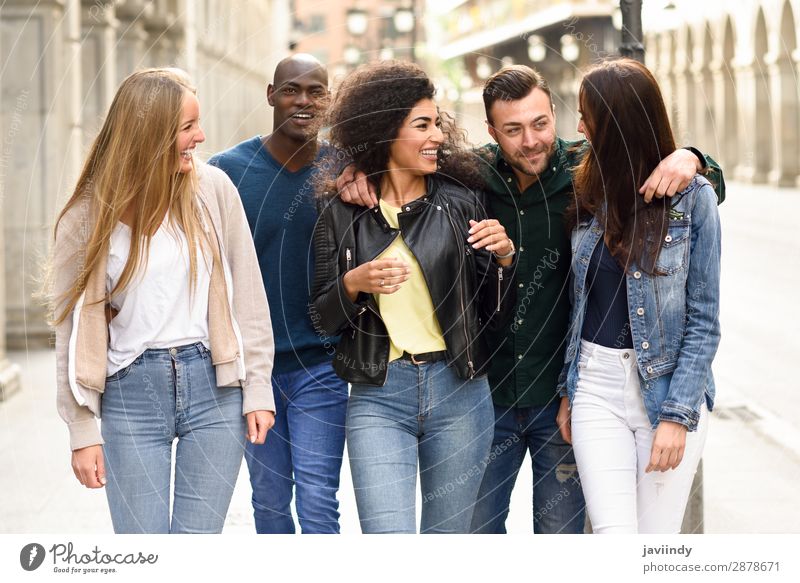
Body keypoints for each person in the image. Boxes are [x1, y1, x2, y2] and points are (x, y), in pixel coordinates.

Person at [337, 64, 724, 534]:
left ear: (556, 116)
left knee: (561, 543)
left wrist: (692, 157)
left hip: (562, 398)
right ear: (491, 131)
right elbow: (401, 160)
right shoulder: (468, 178)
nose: (532, 141)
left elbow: (680, 184)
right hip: (486, 395)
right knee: (474, 538)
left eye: (541, 123)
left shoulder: (588, 171)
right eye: (513, 130)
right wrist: (355, 170)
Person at [49, 68, 275, 534]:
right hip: (131, 392)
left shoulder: (213, 191)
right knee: (143, 553)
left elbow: (249, 297)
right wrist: (81, 429)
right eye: (188, 127)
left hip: (214, 387)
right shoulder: (86, 217)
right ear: (149, 134)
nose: (201, 136)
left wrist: (257, 388)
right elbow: (68, 334)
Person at [311, 61, 517, 534]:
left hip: (459, 392)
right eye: (421, 125)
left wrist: (504, 260)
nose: (437, 136)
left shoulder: (461, 201)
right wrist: (352, 283)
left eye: (437, 123)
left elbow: (493, 313)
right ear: (385, 131)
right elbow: (322, 318)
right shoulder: (340, 210)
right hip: (377, 397)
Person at [556, 58, 721, 534]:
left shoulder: (694, 199)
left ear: (617, 123)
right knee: (613, 540)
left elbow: (705, 319)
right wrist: (570, 387)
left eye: (588, 115)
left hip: (666, 389)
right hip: (595, 386)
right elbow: (580, 303)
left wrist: (676, 415)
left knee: (654, 549)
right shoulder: (586, 183)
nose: (579, 125)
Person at [209, 54, 349, 534]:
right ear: (271, 94)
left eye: (316, 91)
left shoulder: (347, 171)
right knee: (268, 505)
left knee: (318, 503)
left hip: (322, 366)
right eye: (292, 90)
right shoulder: (226, 172)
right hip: (253, 372)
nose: (304, 101)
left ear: (329, 100)